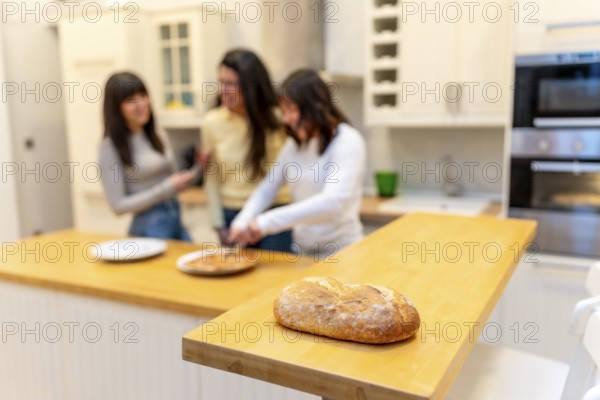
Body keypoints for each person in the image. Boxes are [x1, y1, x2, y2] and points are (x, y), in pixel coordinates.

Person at [228, 69, 367, 259]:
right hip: (302, 252)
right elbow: (267, 189)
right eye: (283, 111)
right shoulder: (294, 145)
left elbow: (333, 203)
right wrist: (242, 221)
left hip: (343, 253)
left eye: (292, 110)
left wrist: (265, 222)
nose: (287, 119)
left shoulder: (348, 141)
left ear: (315, 106)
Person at [201, 49, 292, 252]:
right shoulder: (211, 122)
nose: (222, 90)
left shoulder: (280, 120)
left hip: (275, 213)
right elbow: (211, 177)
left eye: (230, 84)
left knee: (274, 279)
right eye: (220, 82)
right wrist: (218, 224)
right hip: (232, 214)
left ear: (251, 85)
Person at [98, 72, 197, 241]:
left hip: (176, 221)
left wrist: (198, 168)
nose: (141, 104)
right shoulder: (110, 147)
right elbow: (117, 206)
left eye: (143, 96)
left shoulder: (156, 134)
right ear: (116, 108)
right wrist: (165, 189)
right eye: (130, 100)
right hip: (149, 229)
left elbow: (173, 181)